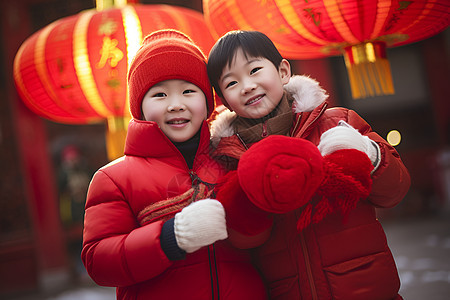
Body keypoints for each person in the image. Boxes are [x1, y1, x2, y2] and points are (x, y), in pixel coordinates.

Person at [207, 30, 411, 300]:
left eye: (254, 70)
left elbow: (395, 190)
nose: (246, 86)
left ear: (282, 71)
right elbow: (244, 242)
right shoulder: (230, 158)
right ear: (223, 100)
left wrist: (367, 153)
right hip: (289, 290)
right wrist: (246, 203)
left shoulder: (336, 122)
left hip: (364, 285)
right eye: (231, 83)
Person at [81, 29, 267, 300]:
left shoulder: (234, 157)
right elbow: (99, 261)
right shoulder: (114, 178)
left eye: (188, 91)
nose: (176, 105)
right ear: (139, 106)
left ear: (208, 101)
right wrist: (171, 237)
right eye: (160, 95)